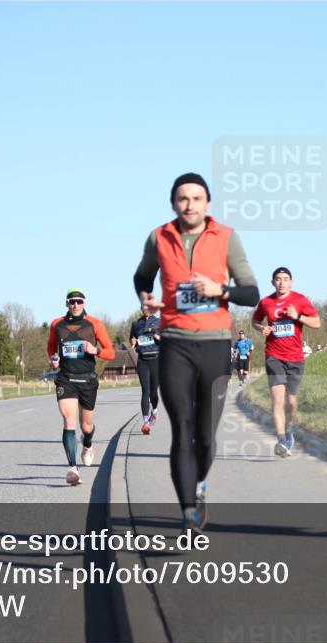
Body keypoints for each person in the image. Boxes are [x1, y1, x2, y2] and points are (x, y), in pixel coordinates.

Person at [133, 172, 259, 532]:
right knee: (182, 428)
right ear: (173, 202)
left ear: (208, 203)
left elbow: (251, 293)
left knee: (205, 436)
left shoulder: (227, 238)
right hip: (174, 343)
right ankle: (188, 510)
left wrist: (220, 289)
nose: (189, 204)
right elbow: (142, 276)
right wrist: (145, 297)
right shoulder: (159, 237)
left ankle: (199, 487)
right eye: (182, 198)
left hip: (215, 345)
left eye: (196, 198)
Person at [46, 288, 116, 485]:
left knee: (86, 426)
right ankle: (73, 468)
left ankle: (88, 444)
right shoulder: (56, 324)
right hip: (66, 378)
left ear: (84, 303)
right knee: (69, 421)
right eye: (71, 301)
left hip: (87, 379)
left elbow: (111, 352)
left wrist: (95, 350)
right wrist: (54, 360)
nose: (75, 305)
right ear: (66, 303)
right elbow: (52, 346)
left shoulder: (94, 324)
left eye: (79, 301)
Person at [252, 267, 321, 457]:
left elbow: (317, 322)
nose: (281, 282)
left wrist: (297, 316)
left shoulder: (300, 300)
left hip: (295, 358)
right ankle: (281, 441)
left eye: (285, 279)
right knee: (277, 399)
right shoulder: (266, 302)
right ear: (273, 282)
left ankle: (289, 429)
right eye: (278, 279)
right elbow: (255, 320)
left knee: (292, 401)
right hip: (273, 355)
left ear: (291, 282)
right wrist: (261, 328)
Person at [130, 305, 161, 435]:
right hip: (142, 360)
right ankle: (146, 422)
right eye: (143, 307)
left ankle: (154, 410)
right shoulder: (136, 323)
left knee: (153, 392)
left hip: (156, 360)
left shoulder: (160, 322)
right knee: (145, 391)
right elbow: (132, 339)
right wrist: (133, 341)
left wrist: (154, 333)